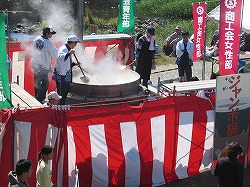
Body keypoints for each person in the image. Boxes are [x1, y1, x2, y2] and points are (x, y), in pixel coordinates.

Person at [32, 26, 58, 103]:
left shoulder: (36, 39)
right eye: (51, 34)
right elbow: (56, 54)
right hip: (43, 66)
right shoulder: (48, 43)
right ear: (47, 33)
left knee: (37, 82)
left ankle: (36, 97)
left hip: (35, 64)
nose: (52, 35)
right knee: (45, 83)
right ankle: (40, 99)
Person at [52, 35, 81, 105]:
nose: (76, 45)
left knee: (64, 94)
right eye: (76, 43)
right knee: (61, 95)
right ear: (73, 43)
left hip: (65, 75)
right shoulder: (64, 49)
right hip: (62, 76)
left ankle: (62, 107)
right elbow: (61, 59)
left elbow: (66, 63)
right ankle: (60, 108)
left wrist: (74, 64)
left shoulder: (67, 49)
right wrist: (69, 53)